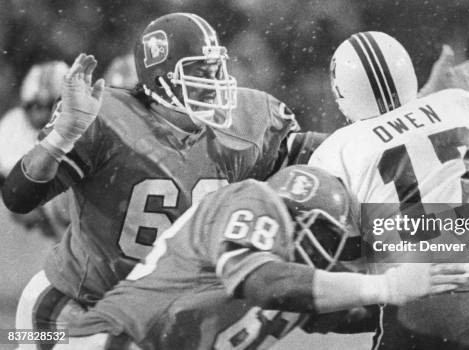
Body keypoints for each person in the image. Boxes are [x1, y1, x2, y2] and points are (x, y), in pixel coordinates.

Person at [3, 13, 300, 347]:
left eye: (216, 69)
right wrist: (61, 137)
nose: (215, 82)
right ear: (162, 80)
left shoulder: (246, 125)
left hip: (159, 316)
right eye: (200, 72)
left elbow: (317, 163)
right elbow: (18, 196)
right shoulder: (108, 120)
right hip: (76, 306)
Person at [51, 165, 467, 350]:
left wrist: (449, 301)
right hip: (105, 342)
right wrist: (386, 285)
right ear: (297, 213)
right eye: (328, 235)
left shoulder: (299, 290)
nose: (335, 256)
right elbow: (261, 283)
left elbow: (357, 313)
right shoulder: (255, 200)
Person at [308, 31, 469, 349]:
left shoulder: (335, 151)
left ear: (342, 93)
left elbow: (341, 251)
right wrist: (432, 93)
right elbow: (410, 129)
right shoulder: (459, 105)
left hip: (415, 307)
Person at [0, 61, 71, 241]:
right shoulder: (12, 125)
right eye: (36, 106)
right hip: (38, 204)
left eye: (49, 106)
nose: (41, 114)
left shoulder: (82, 124)